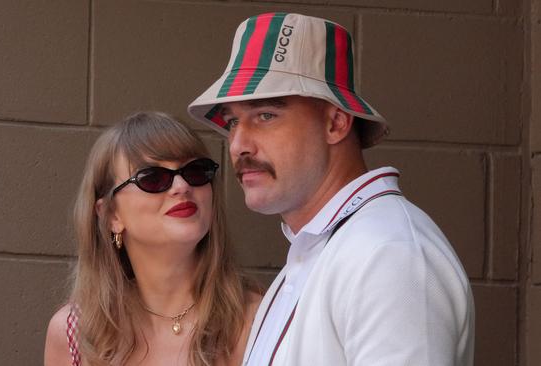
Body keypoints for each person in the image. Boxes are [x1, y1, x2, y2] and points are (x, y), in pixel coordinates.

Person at [188, 12, 474, 365]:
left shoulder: (387, 252)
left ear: (335, 123)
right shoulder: (325, 248)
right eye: (232, 121)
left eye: (265, 115)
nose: (238, 145)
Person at [44, 112, 260, 366]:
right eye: (153, 178)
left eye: (196, 171)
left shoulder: (257, 319)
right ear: (111, 214)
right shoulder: (75, 333)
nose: (181, 185)